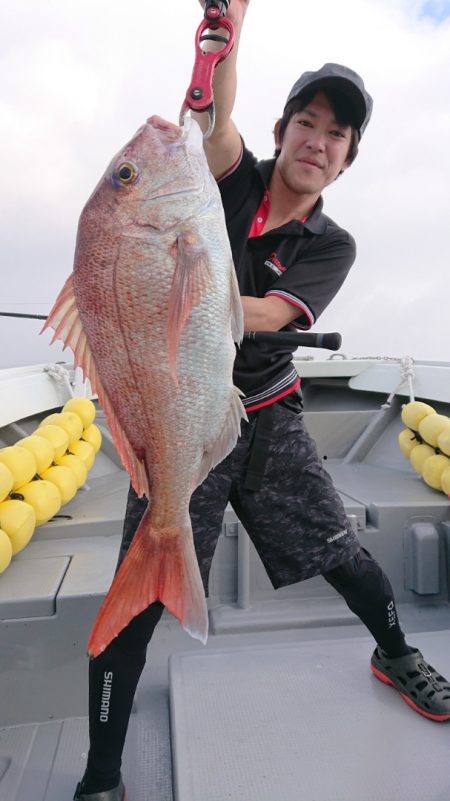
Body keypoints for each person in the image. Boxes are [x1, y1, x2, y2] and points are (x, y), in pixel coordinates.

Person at [74, 1, 450, 799]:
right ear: (281, 132)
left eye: (336, 135)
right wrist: (225, 32)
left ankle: (396, 652)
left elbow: (274, 318)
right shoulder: (226, 180)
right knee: (133, 605)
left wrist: (175, 284)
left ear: (347, 159)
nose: (317, 141)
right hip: (181, 422)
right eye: (307, 122)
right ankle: (100, 777)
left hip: (267, 412)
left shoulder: (332, 244)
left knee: (345, 555)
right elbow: (211, 117)